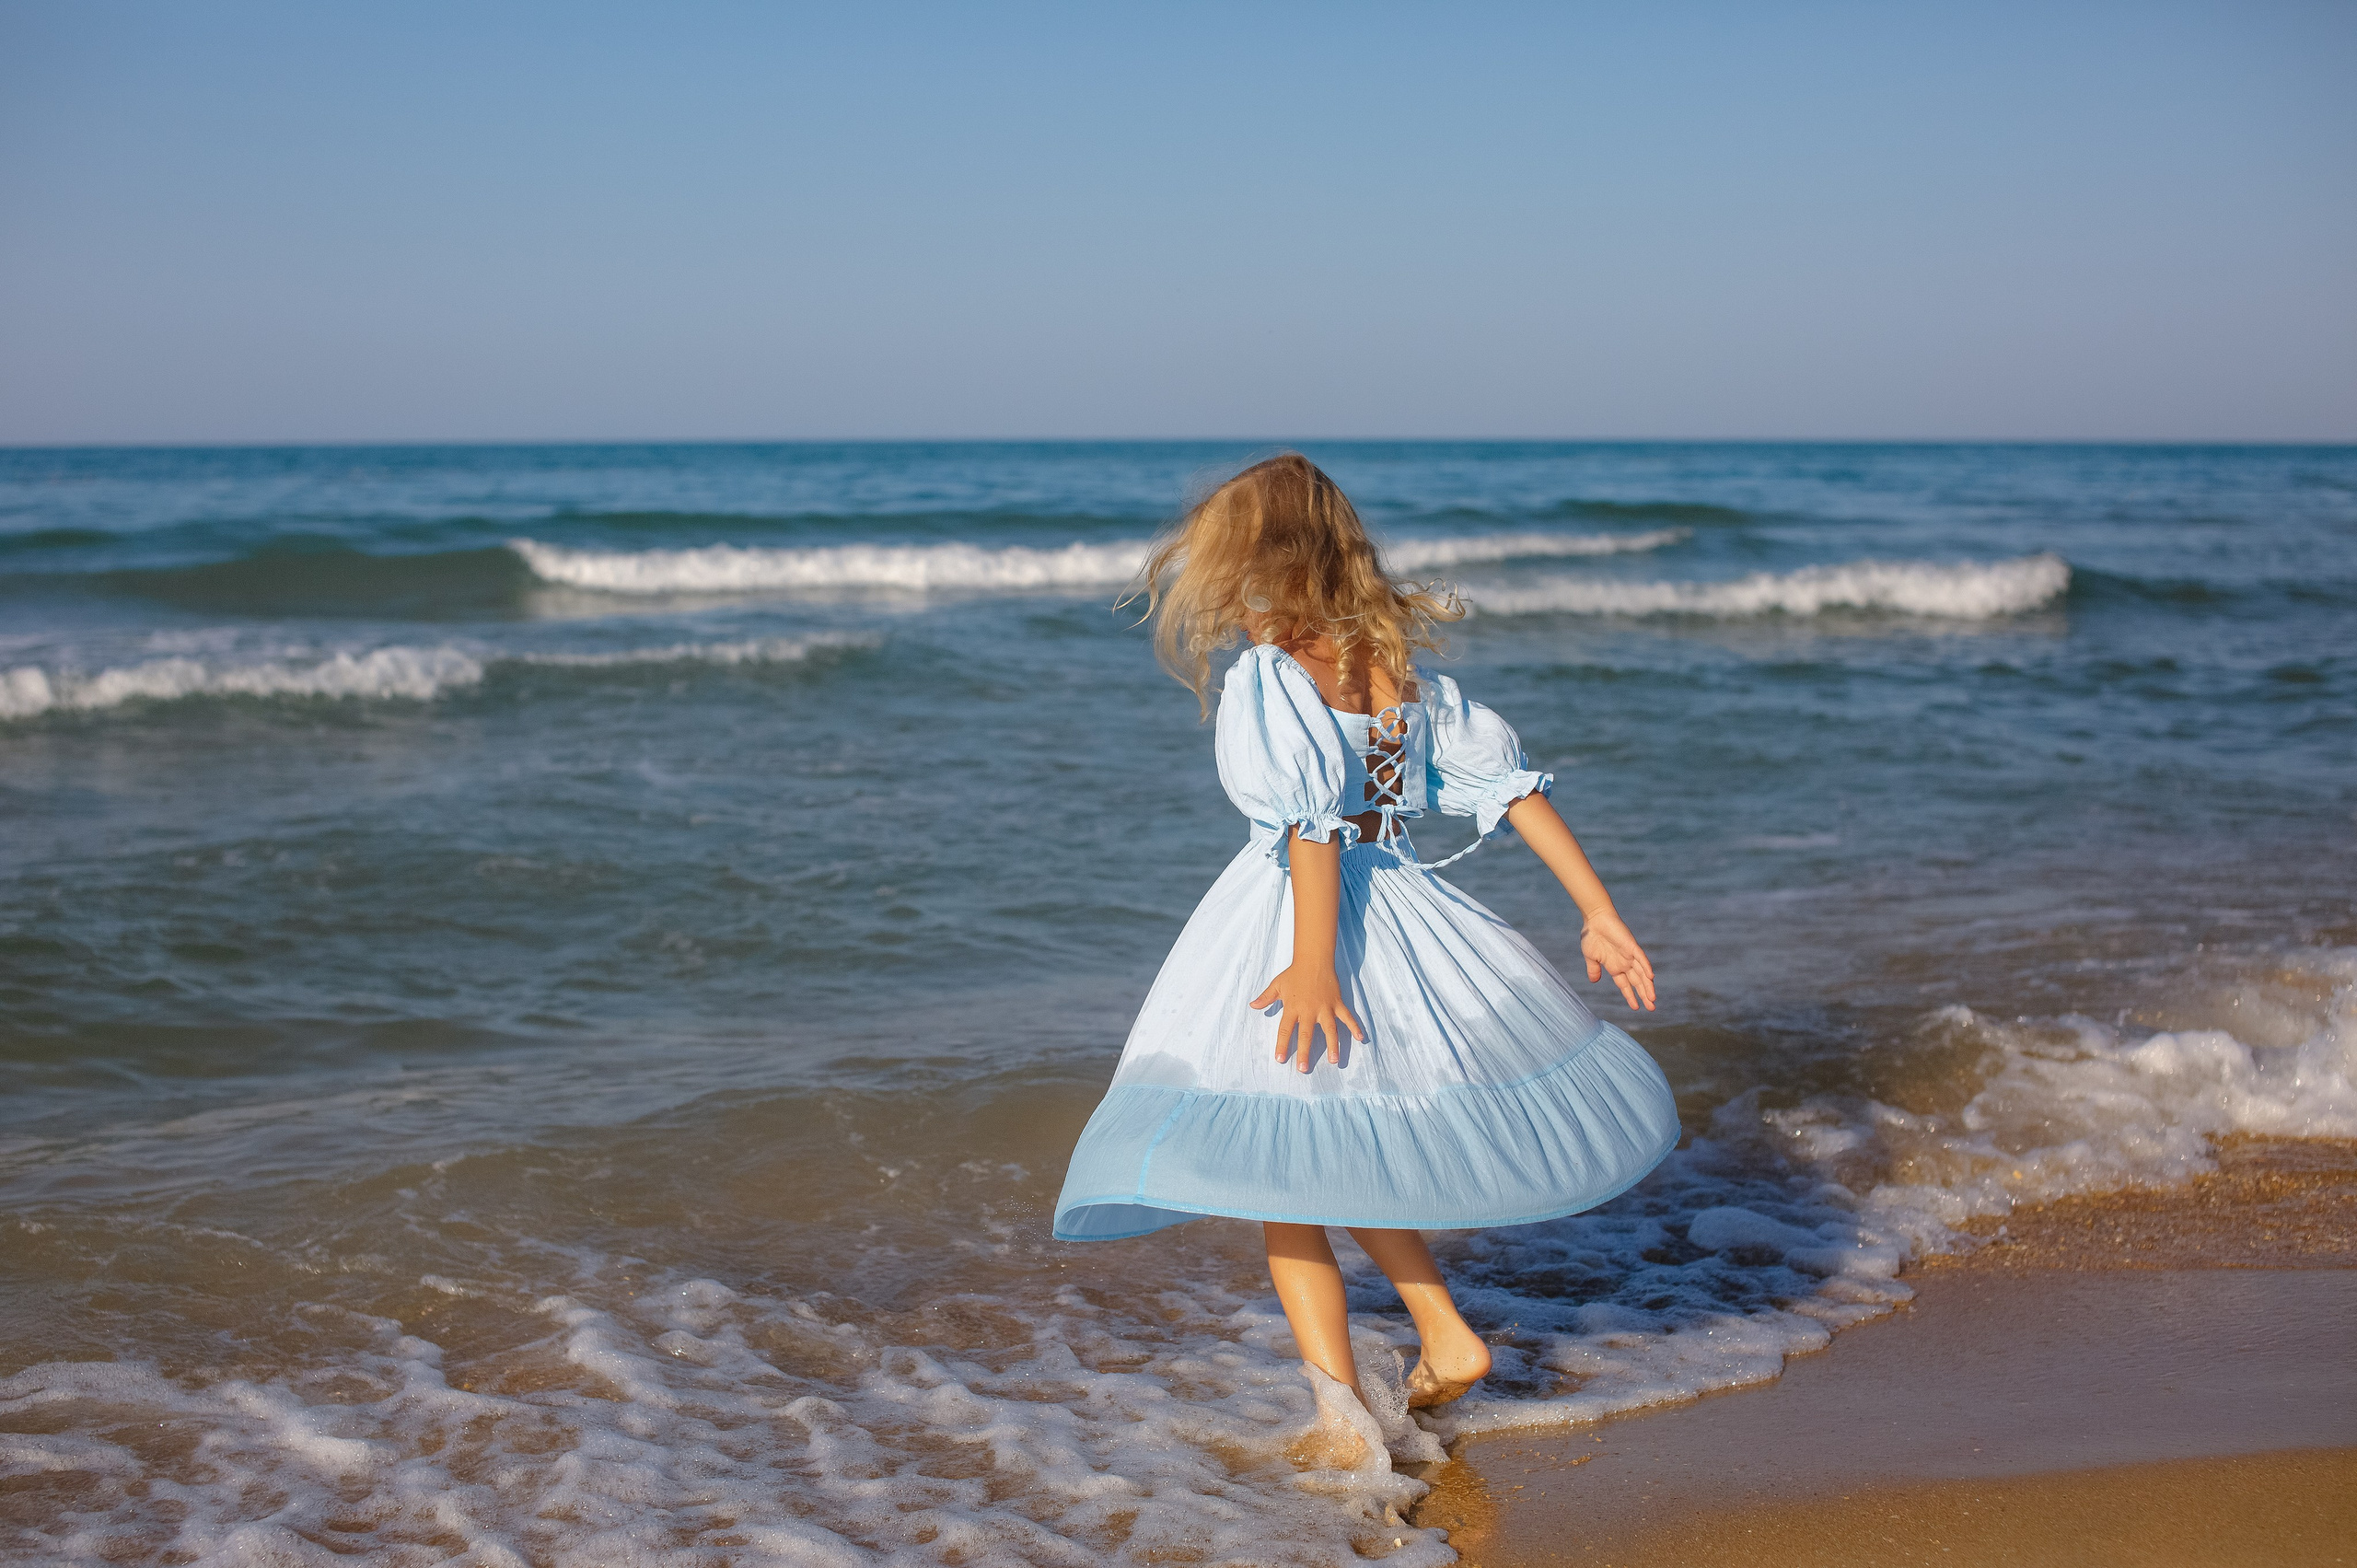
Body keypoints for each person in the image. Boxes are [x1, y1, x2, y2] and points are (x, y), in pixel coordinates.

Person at [1054, 453, 1678, 1424]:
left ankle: (1340, 1415)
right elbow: (1508, 789)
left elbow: (1308, 824)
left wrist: (1309, 968)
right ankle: (1443, 1333)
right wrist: (1598, 911)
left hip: (1299, 920)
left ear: (1257, 557)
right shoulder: (1393, 667)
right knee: (1339, 1147)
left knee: (1284, 1175)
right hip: (1394, 902)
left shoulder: (1271, 671)